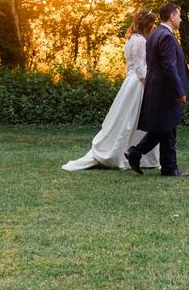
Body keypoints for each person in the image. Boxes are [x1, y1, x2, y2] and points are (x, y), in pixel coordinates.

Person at [62, 9, 160, 171]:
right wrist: (152, 86)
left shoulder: (132, 39)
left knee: (131, 121)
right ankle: (127, 154)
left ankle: (140, 156)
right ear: (148, 25)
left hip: (131, 83)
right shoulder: (140, 42)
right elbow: (141, 69)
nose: (154, 27)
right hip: (139, 84)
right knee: (133, 121)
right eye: (153, 24)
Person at [125, 3, 189, 177]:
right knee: (168, 126)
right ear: (172, 16)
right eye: (179, 15)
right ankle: (168, 168)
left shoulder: (154, 34)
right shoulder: (166, 36)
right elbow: (169, 66)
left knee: (165, 128)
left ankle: (137, 153)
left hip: (156, 87)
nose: (180, 19)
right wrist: (179, 91)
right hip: (165, 89)